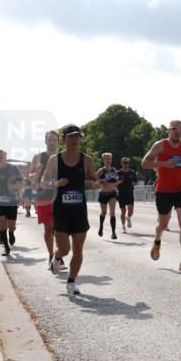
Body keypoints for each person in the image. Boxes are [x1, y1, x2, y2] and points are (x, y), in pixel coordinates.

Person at [40, 125, 98, 295]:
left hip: (79, 210)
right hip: (61, 210)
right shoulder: (55, 160)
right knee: (65, 249)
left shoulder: (87, 160)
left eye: (78, 136)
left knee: (78, 249)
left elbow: (93, 180)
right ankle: (57, 257)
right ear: (64, 139)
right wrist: (56, 183)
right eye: (71, 137)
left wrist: (94, 183)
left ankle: (71, 282)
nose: (75, 140)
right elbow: (43, 182)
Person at [142, 120, 181, 271]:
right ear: (169, 130)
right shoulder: (160, 145)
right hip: (164, 190)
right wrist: (165, 164)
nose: (178, 132)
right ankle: (157, 240)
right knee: (163, 225)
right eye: (175, 129)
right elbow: (144, 163)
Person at [30, 129, 63, 272]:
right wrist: (36, 173)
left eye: (54, 140)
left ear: (58, 142)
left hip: (60, 196)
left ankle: (59, 255)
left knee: (60, 229)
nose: (52, 142)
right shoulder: (38, 157)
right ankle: (51, 255)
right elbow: (30, 177)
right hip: (44, 197)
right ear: (45, 141)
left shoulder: (63, 156)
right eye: (49, 139)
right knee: (48, 229)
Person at [0, 150, 23, 256]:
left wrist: (18, 190)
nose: (1, 159)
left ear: (6, 157)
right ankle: (6, 247)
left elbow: (21, 182)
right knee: (2, 221)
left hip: (12, 199)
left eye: (2, 157)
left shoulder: (14, 168)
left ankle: (11, 232)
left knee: (11, 225)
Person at [96, 152, 119, 240]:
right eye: (106, 159)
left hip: (112, 193)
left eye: (109, 159)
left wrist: (116, 180)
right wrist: (102, 180)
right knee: (104, 212)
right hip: (103, 194)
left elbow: (116, 179)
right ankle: (101, 227)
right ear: (104, 160)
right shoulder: (101, 170)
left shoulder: (113, 170)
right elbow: (95, 179)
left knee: (112, 213)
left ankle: (113, 233)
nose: (108, 160)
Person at [116, 157, 138, 232]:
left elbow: (136, 181)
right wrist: (119, 182)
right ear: (121, 163)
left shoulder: (132, 172)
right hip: (121, 194)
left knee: (130, 211)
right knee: (123, 211)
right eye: (124, 163)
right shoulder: (118, 173)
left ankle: (128, 217)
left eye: (127, 163)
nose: (126, 164)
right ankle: (123, 226)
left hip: (130, 194)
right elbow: (114, 184)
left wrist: (134, 183)